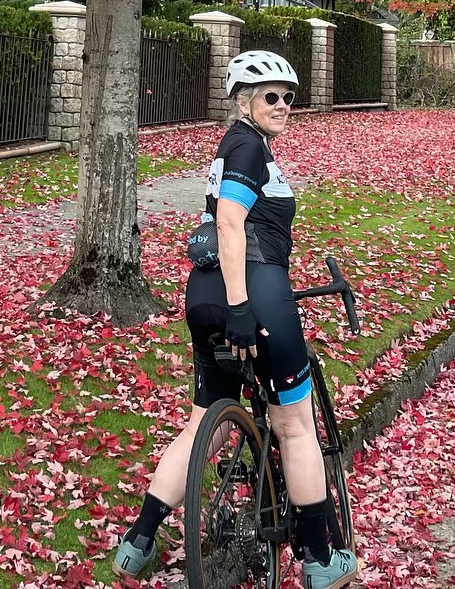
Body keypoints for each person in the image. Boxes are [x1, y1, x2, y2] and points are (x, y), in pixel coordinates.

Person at [112, 48, 358, 588]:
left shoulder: (232, 149)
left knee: (203, 424)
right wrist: (245, 306)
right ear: (244, 100)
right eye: (272, 95)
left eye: (290, 97)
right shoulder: (248, 146)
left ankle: (138, 541)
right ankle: (320, 561)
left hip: (202, 296)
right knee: (294, 427)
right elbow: (229, 223)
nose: (284, 105)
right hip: (253, 291)